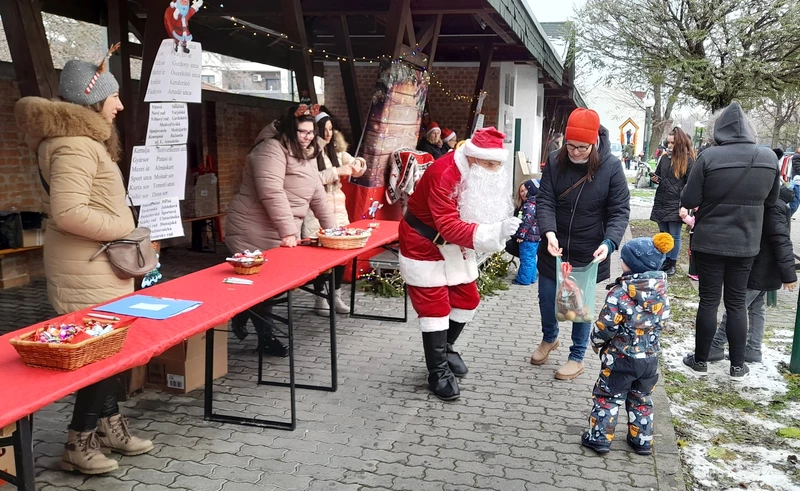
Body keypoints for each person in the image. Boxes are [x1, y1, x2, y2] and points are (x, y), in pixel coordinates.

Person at [15, 51, 153, 475]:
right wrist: (120, 226)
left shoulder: (81, 141)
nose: (121, 105)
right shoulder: (76, 145)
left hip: (94, 266)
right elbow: (70, 212)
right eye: (114, 96)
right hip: (88, 268)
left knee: (104, 354)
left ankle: (111, 429)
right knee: (96, 356)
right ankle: (78, 444)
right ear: (92, 100)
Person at [399, 127, 521, 401]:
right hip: (423, 243)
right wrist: (493, 232)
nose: (494, 170)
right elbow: (449, 225)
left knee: (468, 298)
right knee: (435, 308)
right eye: (489, 164)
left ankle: (446, 347)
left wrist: (498, 228)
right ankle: (437, 370)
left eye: (498, 165)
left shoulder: (478, 171)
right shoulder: (445, 174)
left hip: (454, 245)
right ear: (474, 158)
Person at [680, 102, 781, 380]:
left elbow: (689, 200)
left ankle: (700, 360)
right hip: (747, 243)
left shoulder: (709, 156)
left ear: (719, 129)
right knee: (737, 304)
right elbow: (771, 201)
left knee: (709, 302)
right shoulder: (769, 158)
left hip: (709, 241)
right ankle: (737, 365)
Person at [226, 104, 337, 356]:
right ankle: (265, 337)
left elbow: (318, 195)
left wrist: (334, 232)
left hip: (278, 230)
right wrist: (289, 232)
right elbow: (271, 192)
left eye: (311, 131)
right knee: (262, 287)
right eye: (302, 131)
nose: (308, 136)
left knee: (268, 289)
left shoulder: (306, 154)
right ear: (289, 129)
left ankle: (244, 313)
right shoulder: (270, 150)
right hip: (250, 229)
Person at [531, 108, 631, 381]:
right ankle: (549, 338)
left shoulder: (610, 167)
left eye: (582, 148)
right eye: (570, 146)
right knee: (548, 299)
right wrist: (548, 232)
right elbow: (546, 200)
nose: (575, 152)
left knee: (577, 306)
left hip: (589, 250)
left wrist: (609, 242)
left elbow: (620, 210)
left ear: (594, 143)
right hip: (555, 247)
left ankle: (576, 357)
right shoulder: (554, 161)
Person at [581, 233, 673, 456]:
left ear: (632, 265)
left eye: (624, 259)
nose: (620, 262)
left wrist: (595, 341)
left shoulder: (620, 293)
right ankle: (641, 440)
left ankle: (599, 438)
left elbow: (606, 325)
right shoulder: (661, 292)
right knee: (641, 398)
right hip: (650, 358)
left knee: (608, 396)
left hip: (621, 357)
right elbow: (664, 318)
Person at [708, 186, 797, 364]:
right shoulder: (776, 205)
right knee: (756, 308)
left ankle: (715, 347)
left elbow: (781, 240)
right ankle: (753, 350)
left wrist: (789, 274)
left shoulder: (773, 207)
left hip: (758, 267)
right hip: (764, 268)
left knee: (736, 308)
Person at [302, 112, 366, 316]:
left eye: (331, 129)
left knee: (341, 257)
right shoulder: (308, 153)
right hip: (316, 212)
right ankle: (320, 298)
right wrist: (338, 172)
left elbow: (356, 162)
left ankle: (335, 295)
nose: (328, 134)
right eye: (324, 129)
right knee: (320, 258)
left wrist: (359, 165)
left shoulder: (336, 150)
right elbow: (310, 179)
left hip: (339, 210)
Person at [650, 127, 695, 276]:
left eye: (672, 143)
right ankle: (664, 260)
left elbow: (690, 184)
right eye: (668, 143)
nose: (669, 146)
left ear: (680, 143)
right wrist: (654, 178)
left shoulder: (688, 160)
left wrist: (684, 205)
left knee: (674, 234)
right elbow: (659, 176)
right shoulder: (664, 158)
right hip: (662, 199)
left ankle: (672, 263)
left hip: (676, 201)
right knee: (663, 232)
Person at [512, 179, 541, 286]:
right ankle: (531, 277)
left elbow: (526, 222)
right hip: (536, 237)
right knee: (532, 259)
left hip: (528, 237)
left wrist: (521, 235)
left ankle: (523, 280)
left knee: (526, 259)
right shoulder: (537, 203)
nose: (523, 193)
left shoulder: (529, 205)